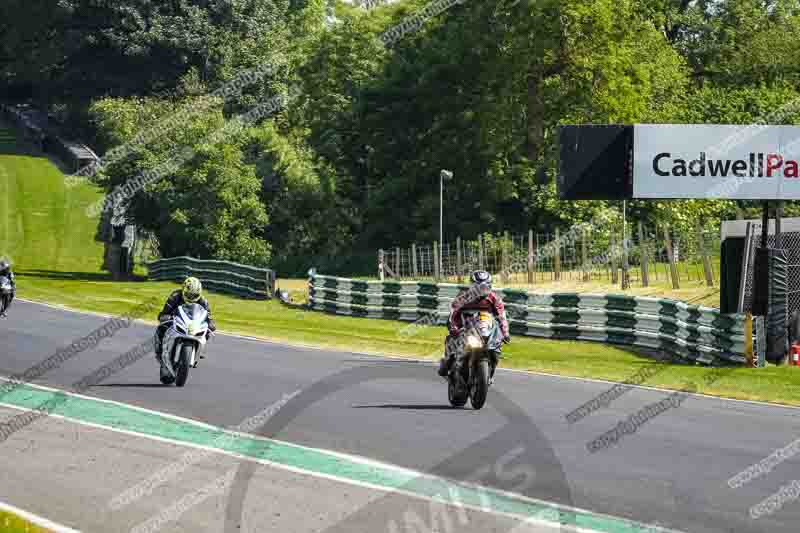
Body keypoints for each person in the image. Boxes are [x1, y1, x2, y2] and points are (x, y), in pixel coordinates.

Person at [437, 270, 510, 380]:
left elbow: (501, 317)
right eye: (479, 287)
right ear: (472, 286)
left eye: (485, 286)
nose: (482, 290)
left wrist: (505, 333)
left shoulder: (494, 299)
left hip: (485, 328)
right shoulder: (463, 297)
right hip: (466, 327)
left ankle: (489, 374)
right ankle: (446, 363)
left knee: (497, 349)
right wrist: (454, 328)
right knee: (453, 342)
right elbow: (453, 314)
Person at [154, 277, 216, 373]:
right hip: (176, 322)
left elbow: (208, 317)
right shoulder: (175, 296)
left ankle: (198, 351)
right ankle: (160, 349)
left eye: (194, 295)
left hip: (193, 325)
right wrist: (166, 316)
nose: (191, 298)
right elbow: (164, 312)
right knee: (162, 327)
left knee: (207, 330)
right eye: (188, 295)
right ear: (183, 290)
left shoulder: (203, 301)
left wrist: (211, 323)